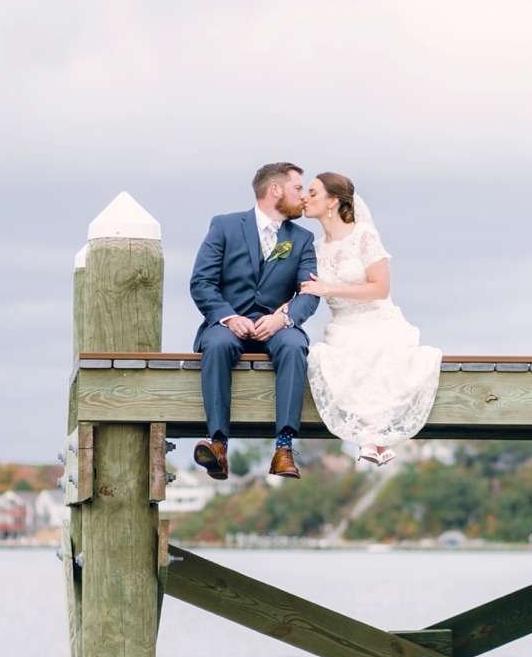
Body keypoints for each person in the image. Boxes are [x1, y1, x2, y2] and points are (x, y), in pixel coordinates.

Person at [298, 172, 441, 466]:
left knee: (377, 348)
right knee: (337, 356)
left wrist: (327, 289)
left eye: (312, 193)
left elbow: (380, 288)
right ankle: (377, 440)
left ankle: (372, 438)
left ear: (333, 201)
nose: (304, 198)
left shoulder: (363, 236)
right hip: (343, 325)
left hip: (378, 318)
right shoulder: (315, 249)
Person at [189, 163, 320, 481]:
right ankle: (218, 446)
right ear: (275, 189)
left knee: (294, 343)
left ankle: (284, 449)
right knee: (217, 342)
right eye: (298, 188)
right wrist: (229, 317)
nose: (302, 197)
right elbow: (201, 283)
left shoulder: (302, 239)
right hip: (228, 325)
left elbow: (309, 292)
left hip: (276, 328)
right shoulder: (224, 226)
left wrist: (283, 319)